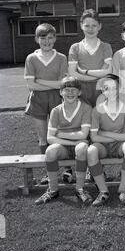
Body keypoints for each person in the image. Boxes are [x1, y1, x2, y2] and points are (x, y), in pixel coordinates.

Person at [35, 77, 92, 205]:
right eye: (67, 90)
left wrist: (60, 134)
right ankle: (53, 189)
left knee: (81, 148)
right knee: (50, 151)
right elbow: (50, 137)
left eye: (74, 90)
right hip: (65, 147)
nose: (70, 93)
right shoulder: (56, 111)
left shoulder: (86, 108)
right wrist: (74, 141)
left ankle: (80, 189)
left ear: (79, 92)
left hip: (78, 145)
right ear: (60, 92)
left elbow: (84, 134)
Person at [87, 74, 125, 206]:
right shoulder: (96, 110)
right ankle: (103, 191)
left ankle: (122, 190)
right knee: (91, 151)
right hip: (102, 146)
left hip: (120, 145)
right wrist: (113, 136)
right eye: (107, 88)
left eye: (114, 88)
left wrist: (105, 132)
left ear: (119, 90)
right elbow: (94, 137)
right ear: (102, 91)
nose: (111, 91)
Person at [24, 23, 68, 184]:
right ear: (37, 39)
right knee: (43, 139)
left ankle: (67, 170)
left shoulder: (61, 58)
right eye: (43, 38)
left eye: (50, 38)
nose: (47, 42)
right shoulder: (31, 58)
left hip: (58, 99)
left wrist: (41, 81)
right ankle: (49, 173)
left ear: (55, 39)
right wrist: (53, 83)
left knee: (59, 135)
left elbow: (62, 84)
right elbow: (31, 86)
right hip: (38, 101)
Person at [68, 8, 113, 108]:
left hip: (101, 90)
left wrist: (85, 72)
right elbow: (73, 72)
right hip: (81, 92)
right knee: (85, 122)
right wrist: (95, 77)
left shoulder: (106, 46)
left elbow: (108, 70)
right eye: (87, 26)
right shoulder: (75, 47)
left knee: (100, 121)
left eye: (94, 25)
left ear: (99, 26)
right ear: (81, 26)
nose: (90, 29)